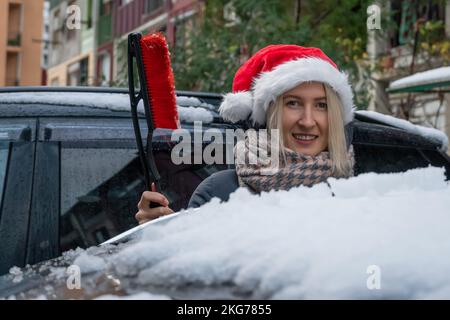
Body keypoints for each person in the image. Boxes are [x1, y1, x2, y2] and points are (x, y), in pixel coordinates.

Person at [135, 44, 355, 224]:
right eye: (293, 103)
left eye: (322, 105)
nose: (308, 121)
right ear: (266, 115)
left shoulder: (365, 188)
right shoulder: (220, 193)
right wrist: (165, 237)